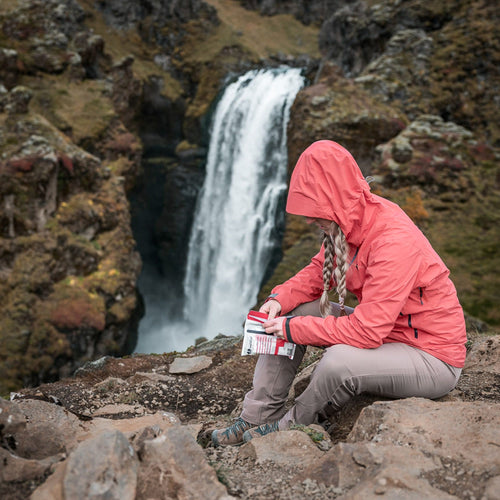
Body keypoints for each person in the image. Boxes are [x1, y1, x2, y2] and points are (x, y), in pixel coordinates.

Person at [211, 140, 467, 447]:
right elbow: (316, 273)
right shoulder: (346, 224)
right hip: (387, 332)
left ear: (335, 197)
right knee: (291, 312)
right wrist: (279, 301)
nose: (308, 218)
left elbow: (369, 331)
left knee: (338, 362)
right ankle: (257, 416)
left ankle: (291, 427)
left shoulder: (392, 240)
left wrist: (294, 330)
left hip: (430, 356)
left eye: (314, 206)